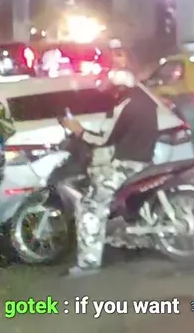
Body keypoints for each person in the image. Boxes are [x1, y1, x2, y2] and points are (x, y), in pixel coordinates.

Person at [61, 80, 160, 276]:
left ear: (120, 87)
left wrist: (79, 131)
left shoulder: (125, 104)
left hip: (127, 164)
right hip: (145, 160)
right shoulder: (147, 100)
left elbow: (104, 139)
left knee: (90, 205)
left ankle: (88, 263)